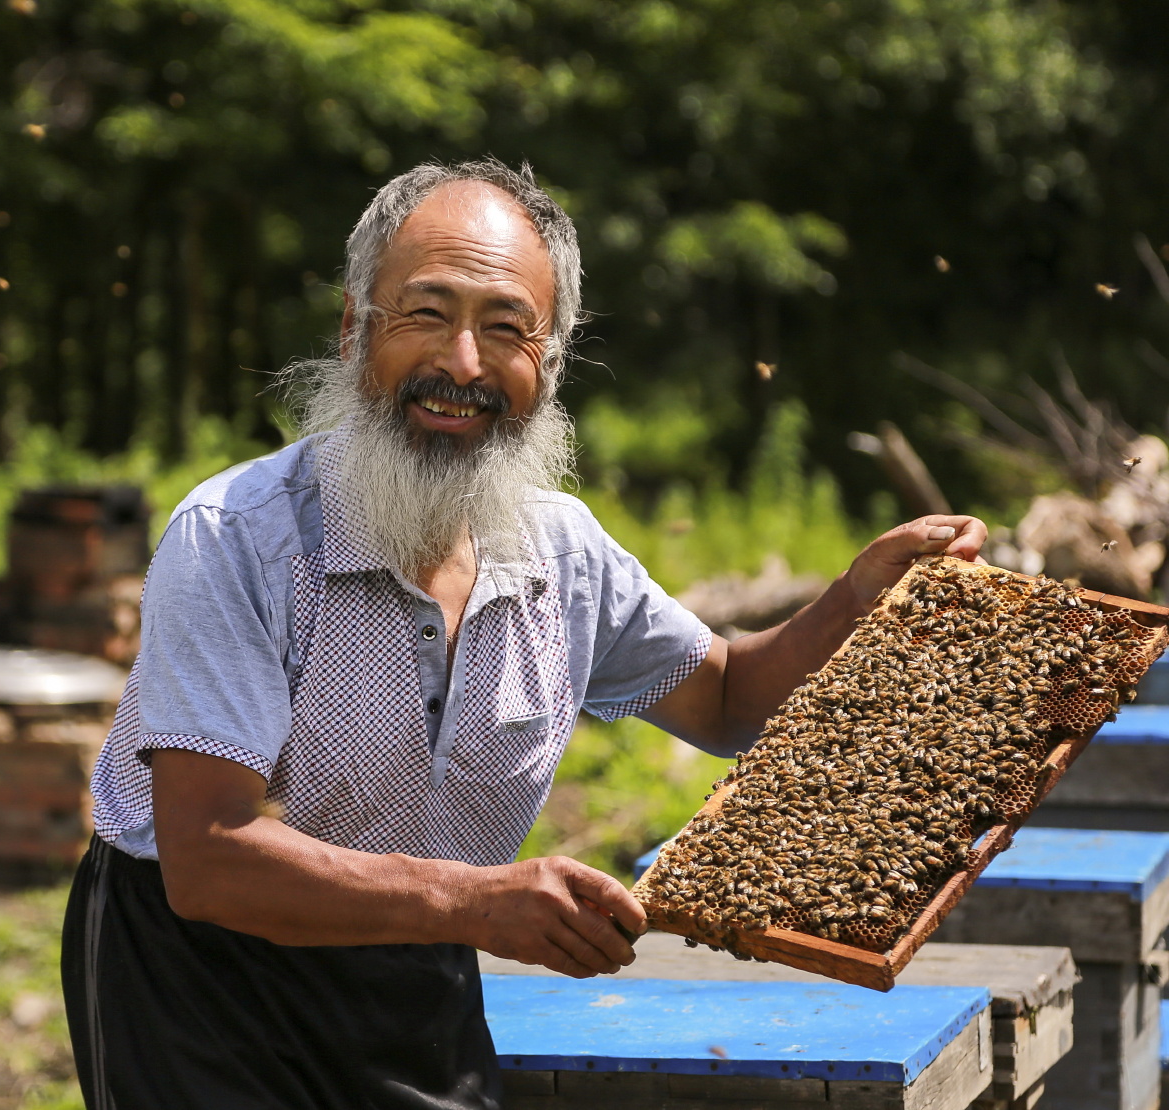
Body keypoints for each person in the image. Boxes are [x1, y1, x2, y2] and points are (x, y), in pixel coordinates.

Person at [61, 158, 986, 1110]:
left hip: (420, 965)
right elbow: (210, 861)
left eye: (505, 328)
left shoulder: (563, 554)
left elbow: (726, 697)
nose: (463, 364)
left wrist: (856, 599)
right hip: (199, 984)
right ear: (353, 330)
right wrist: (476, 903)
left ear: (549, 362)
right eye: (426, 314)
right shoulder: (237, 538)